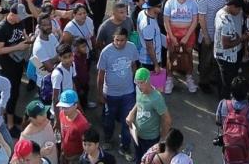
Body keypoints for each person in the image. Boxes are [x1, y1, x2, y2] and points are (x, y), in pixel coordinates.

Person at [97, 27, 139, 155]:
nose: (119, 43)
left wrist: (137, 85)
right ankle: (107, 139)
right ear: (113, 39)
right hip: (110, 94)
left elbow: (134, 66)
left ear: (127, 39)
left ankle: (125, 146)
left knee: (128, 121)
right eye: (117, 40)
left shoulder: (132, 47)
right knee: (109, 120)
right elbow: (100, 74)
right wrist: (99, 94)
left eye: (122, 40)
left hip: (128, 93)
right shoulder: (106, 52)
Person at [127, 68, 171, 164]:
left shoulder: (157, 98)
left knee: (149, 161)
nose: (139, 86)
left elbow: (167, 119)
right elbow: (138, 102)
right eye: (136, 82)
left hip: (150, 139)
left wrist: (163, 138)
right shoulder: (139, 90)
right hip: (137, 134)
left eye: (141, 83)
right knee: (138, 158)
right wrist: (131, 113)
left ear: (148, 81)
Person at [57, 90, 91, 163]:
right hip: (64, 152)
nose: (63, 109)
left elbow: (87, 145)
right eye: (62, 106)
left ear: (75, 105)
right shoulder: (62, 113)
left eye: (66, 107)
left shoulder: (82, 124)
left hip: (76, 157)